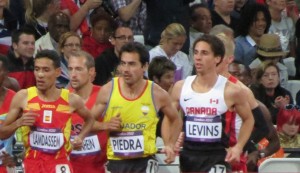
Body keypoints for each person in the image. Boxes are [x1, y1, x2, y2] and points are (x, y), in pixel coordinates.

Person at [91, 42, 182, 173]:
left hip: (145, 161)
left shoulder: (156, 93)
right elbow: (88, 124)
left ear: (144, 66)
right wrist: (105, 125)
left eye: (132, 64)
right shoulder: (108, 90)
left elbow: (176, 119)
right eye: (123, 63)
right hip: (117, 162)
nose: (126, 69)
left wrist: (170, 144)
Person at [0, 50, 94, 173]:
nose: (40, 75)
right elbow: (2, 133)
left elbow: (90, 119)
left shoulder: (71, 100)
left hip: (59, 164)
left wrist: (81, 137)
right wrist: (19, 122)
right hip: (31, 164)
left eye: (45, 70)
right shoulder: (23, 97)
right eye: (37, 69)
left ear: (58, 72)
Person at [171, 34, 254, 172]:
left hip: (217, 156)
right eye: (196, 52)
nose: (198, 57)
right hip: (189, 157)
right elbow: (171, 118)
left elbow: (249, 119)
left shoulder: (232, 90)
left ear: (217, 58)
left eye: (204, 53)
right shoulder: (181, 87)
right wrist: (170, 141)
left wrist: (239, 147)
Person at [68, 50, 107, 173]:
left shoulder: (105, 96)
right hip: (69, 168)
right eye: (70, 69)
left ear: (91, 72)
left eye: (78, 69)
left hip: (100, 168)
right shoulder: (62, 98)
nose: (73, 74)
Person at [148, 56, 176, 137]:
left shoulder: (174, 94)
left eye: (173, 76)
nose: (172, 81)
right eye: (168, 77)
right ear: (156, 79)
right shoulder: (149, 98)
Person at [0, 54, 16, 173]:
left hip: (7, 167)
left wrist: (16, 158)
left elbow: (22, 135)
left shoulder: (15, 99)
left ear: (5, 73)